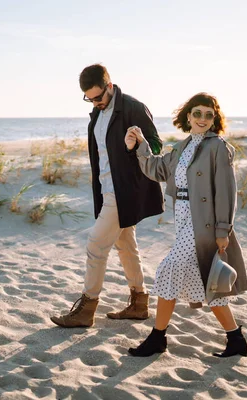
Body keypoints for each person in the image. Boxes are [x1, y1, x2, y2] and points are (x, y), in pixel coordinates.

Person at [124, 92, 247, 357]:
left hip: (203, 222)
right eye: (197, 113)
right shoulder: (183, 147)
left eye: (208, 115)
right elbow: (157, 170)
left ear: (214, 119)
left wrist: (222, 230)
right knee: (209, 283)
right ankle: (236, 339)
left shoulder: (218, 147)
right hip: (182, 218)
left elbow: (226, 192)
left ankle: (157, 338)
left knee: (169, 270)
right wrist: (141, 145)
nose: (202, 119)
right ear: (188, 116)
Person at [50, 64, 165, 328]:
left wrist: (136, 144)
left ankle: (87, 308)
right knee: (125, 245)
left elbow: (157, 144)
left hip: (124, 190)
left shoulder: (133, 107)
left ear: (109, 86)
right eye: (89, 99)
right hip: (105, 189)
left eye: (98, 97)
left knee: (95, 245)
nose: (95, 103)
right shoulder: (96, 114)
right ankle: (139, 302)